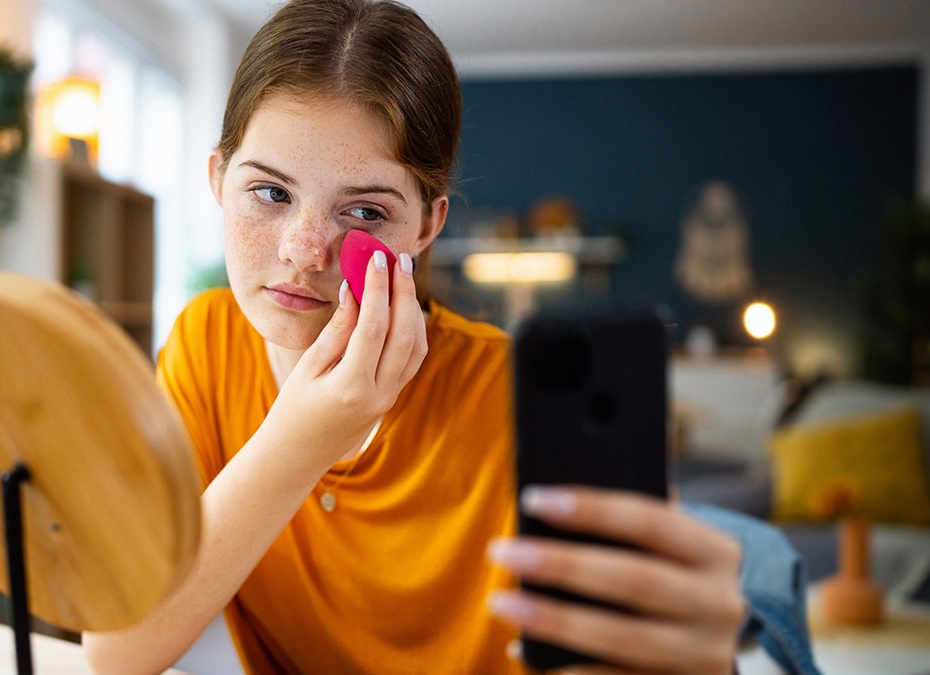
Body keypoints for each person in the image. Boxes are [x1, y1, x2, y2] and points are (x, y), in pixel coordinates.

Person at [82, 1, 774, 672]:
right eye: (270, 192)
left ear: (425, 225)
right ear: (217, 178)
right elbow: (117, 648)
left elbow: (637, 639)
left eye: (363, 210)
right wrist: (307, 434)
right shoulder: (207, 343)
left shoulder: (510, 396)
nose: (303, 249)